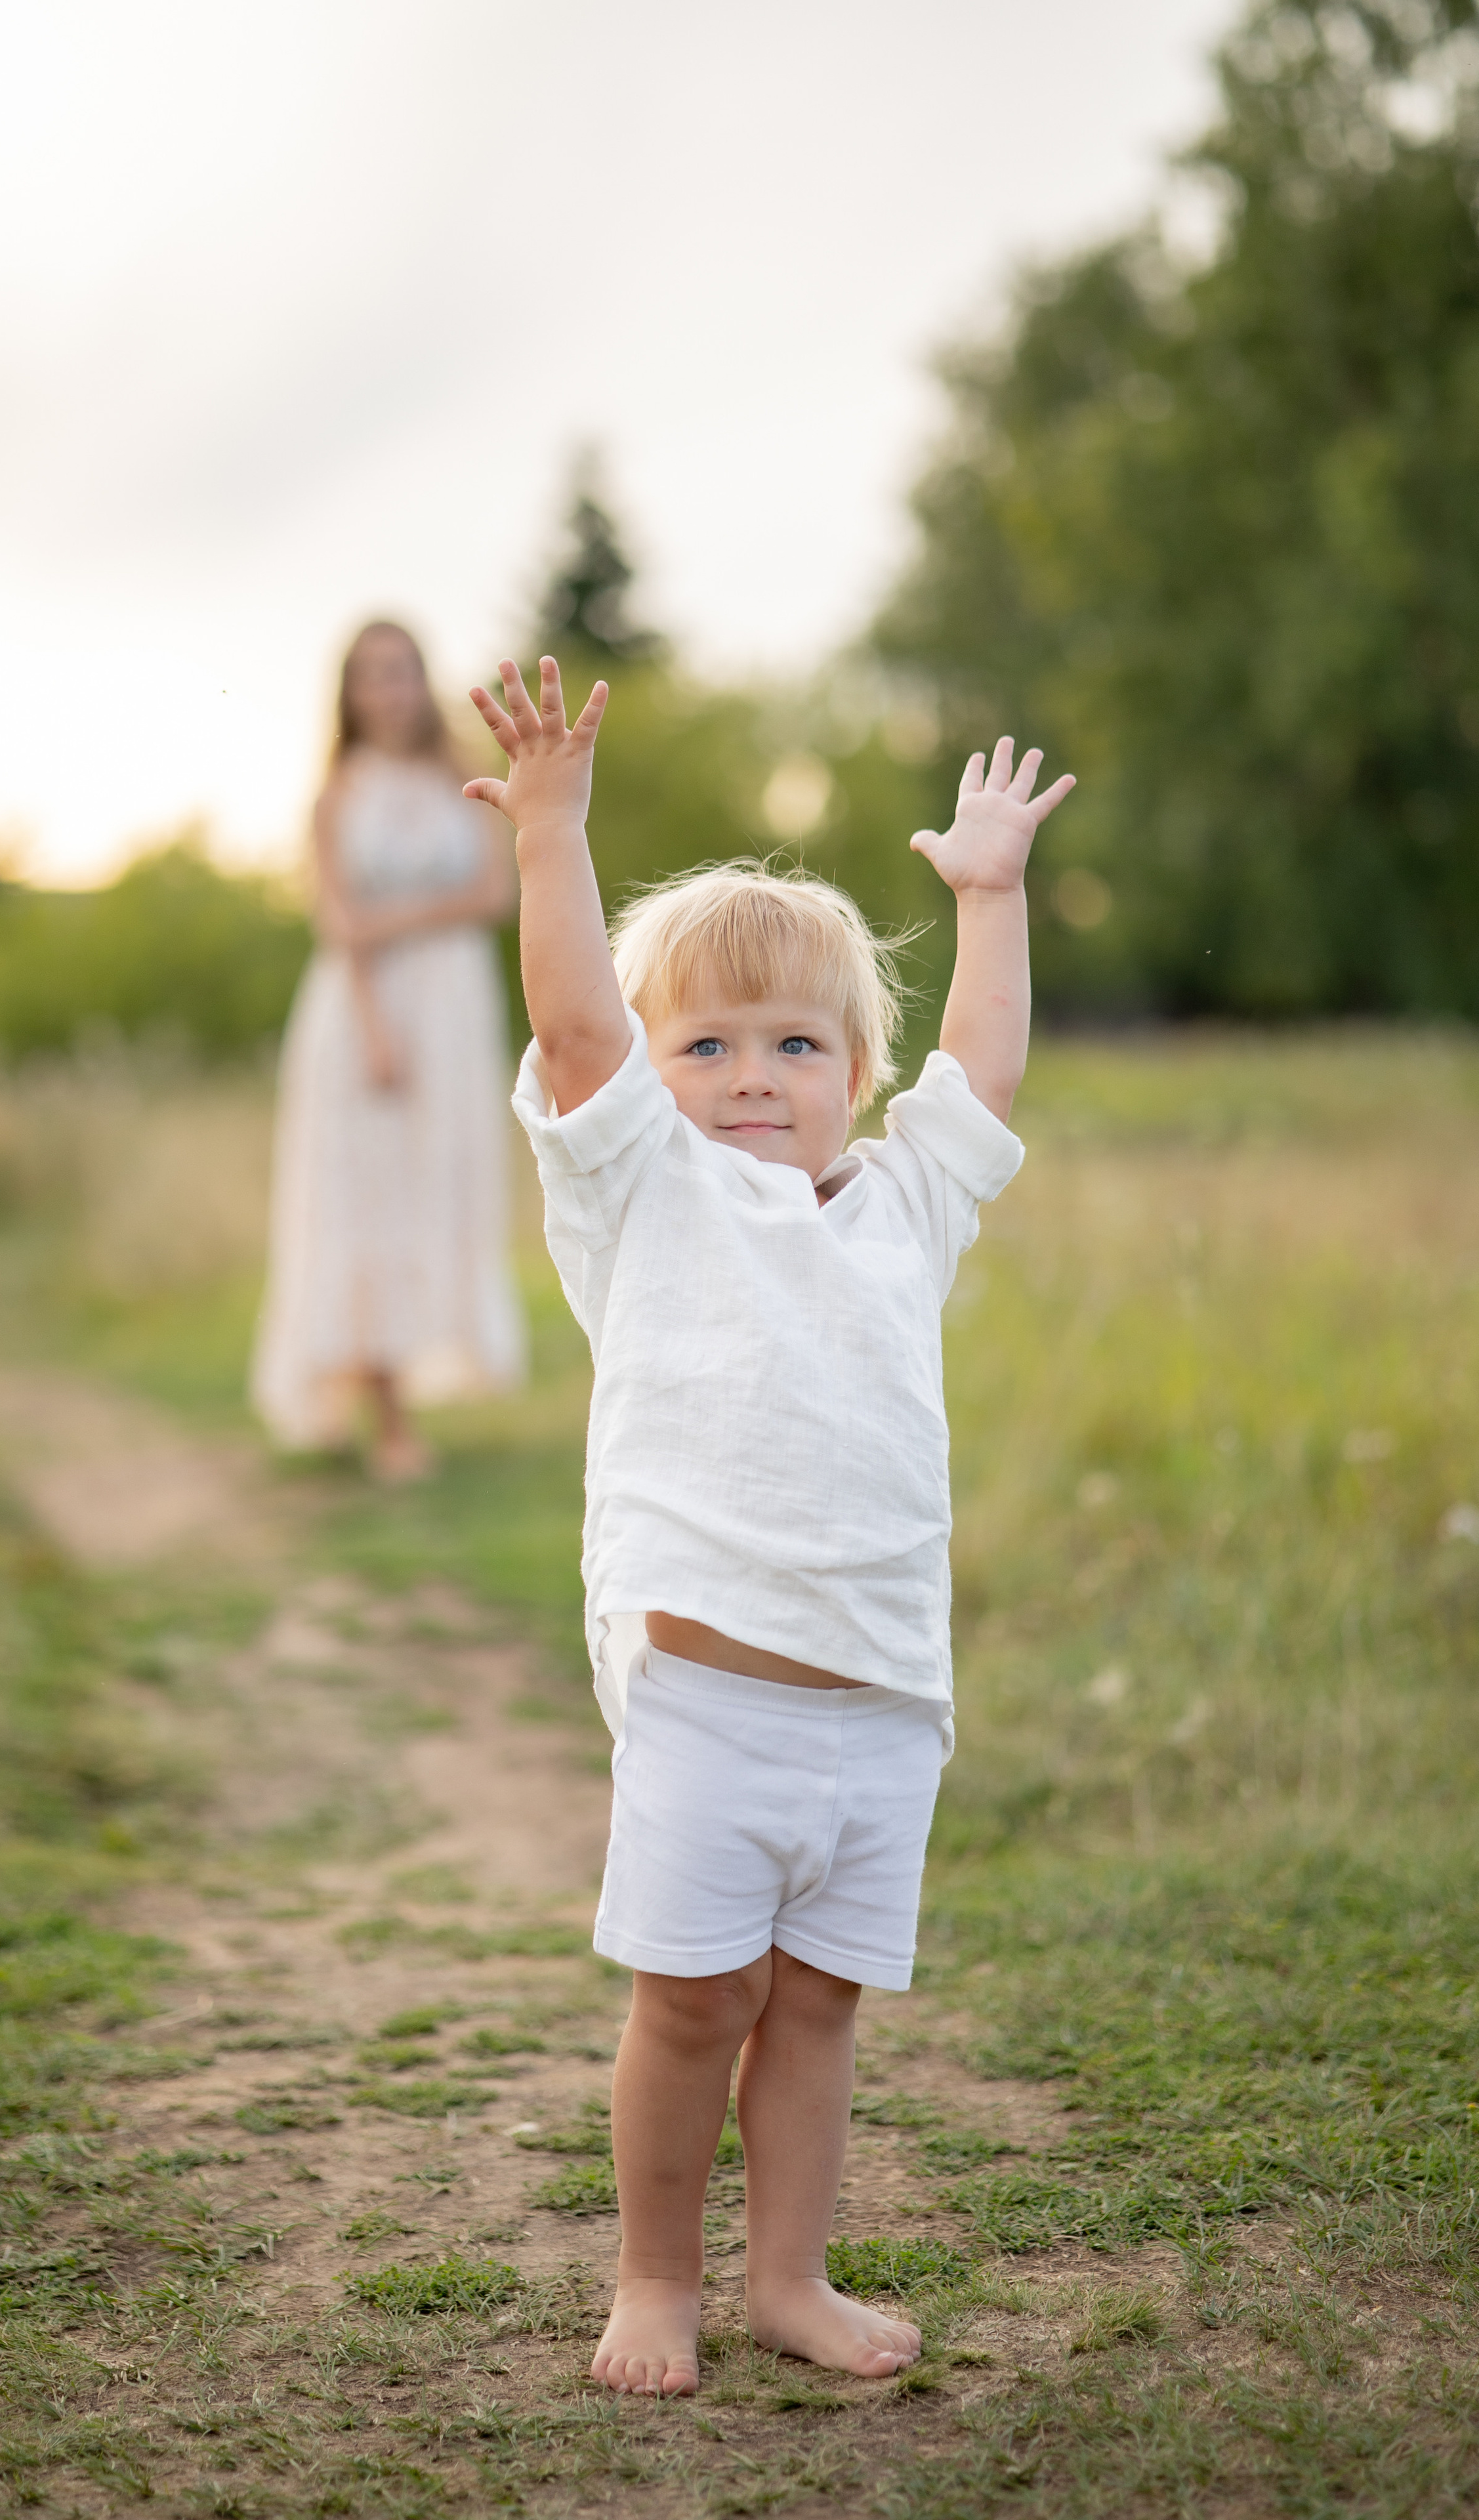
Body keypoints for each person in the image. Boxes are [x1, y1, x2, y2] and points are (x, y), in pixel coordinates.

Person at [463, 656, 1073, 2397]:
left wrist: (991, 896)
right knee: (692, 2008)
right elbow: (580, 1029)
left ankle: (788, 2279)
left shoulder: (906, 1205)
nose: (753, 1074)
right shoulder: (645, 1189)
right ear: (658, 1084)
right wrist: (554, 839)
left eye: (797, 1045)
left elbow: (985, 1069)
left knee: (819, 2011)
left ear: (855, 1074)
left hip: (883, 1697)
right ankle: (656, 2281)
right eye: (709, 1044)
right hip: (709, 1693)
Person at [251, 621, 524, 1473]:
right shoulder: (336, 794)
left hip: (451, 1010)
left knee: (429, 1190)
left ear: (422, 682)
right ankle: (380, 1413)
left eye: (402, 673)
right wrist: (374, 1028)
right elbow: (339, 927)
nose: (390, 691)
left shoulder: (462, 778)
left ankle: (394, 1387)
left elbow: (494, 892)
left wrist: (390, 919)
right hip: (363, 1013)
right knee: (359, 1196)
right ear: (350, 692)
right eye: (371, 676)